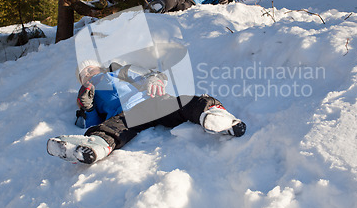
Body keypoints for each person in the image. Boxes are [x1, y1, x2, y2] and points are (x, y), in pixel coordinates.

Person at [47, 60, 246, 164]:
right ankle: (95, 146)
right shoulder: (89, 92)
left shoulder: (118, 72)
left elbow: (150, 75)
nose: (88, 74)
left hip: (150, 101)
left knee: (184, 103)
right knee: (112, 126)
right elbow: (90, 121)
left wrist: (153, 80)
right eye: (83, 75)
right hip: (126, 115)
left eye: (90, 70)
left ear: (99, 68)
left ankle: (215, 116)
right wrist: (87, 107)